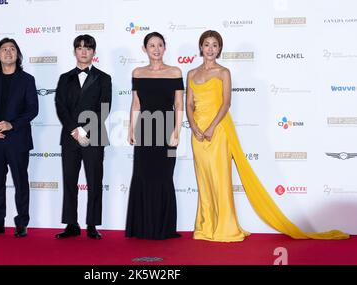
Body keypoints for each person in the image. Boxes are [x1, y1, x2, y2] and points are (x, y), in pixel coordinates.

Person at [186, 30, 349, 241]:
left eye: (214, 45)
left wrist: (210, 128)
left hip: (218, 131)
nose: (210, 49)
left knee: (220, 178)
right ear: (200, 47)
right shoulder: (191, 74)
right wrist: (194, 127)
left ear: (219, 49)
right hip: (197, 133)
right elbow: (189, 104)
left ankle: (224, 227)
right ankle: (206, 227)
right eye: (206, 44)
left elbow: (226, 103)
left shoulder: (223, 72)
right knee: (203, 179)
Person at [0, 38, 38, 238]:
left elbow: (32, 110)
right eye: (4, 49)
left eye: (13, 49)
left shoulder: (27, 80)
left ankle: (22, 223)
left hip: (18, 139)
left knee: (20, 181)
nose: (8, 52)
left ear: (17, 55)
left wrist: (12, 124)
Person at [126, 32, 184, 239]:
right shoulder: (138, 73)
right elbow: (136, 104)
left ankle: (164, 228)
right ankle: (143, 227)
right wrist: (130, 129)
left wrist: (177, 131)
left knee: (164, 176)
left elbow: (179, 104)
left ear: (165, 47)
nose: (156, 49)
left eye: (160, 45)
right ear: (144, 49)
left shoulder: (175, 72)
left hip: (167, 130)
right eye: (151, 45)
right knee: (143, 175)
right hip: (144, 130)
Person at [54, 34, 112, 240]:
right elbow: (60, 107)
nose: (84, 51)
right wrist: (74, 130)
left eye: (88, 48)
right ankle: (71, 224)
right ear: (74, 51)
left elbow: (104, 109)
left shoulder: (104, 78)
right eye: (79, 48)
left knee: (95, 181)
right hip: (70, 137)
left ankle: (92, 224)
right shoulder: (64, 78)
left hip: (94, 136)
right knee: (69, 180)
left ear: (94, 52)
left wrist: (85, 130)